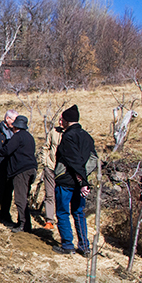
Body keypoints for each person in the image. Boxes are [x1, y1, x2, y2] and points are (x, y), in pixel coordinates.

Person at [52, 105, 95, 256]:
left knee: (63, 212)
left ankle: (68, 245)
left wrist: (82, 179)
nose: (60, 122)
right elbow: (93, 158)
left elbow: (73, 160)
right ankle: (84, 246)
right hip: (80, 182)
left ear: (67, 121)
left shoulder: (68, 137)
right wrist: (85, 177)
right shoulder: (87, 136)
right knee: (79, 213)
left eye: (62, 119)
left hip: (66, 181)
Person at [0, 115, 38, 232]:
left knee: (20, 198)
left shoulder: (18, 137)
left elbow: (7, 150)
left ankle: (23, 225)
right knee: (24, 196)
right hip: (32, 169)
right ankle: (24, 223)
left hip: (21, 170)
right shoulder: (29, 137)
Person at [0, 109, 18, 225]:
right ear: (7, 119)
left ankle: (5, 215)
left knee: (8, 192)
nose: (16, 123)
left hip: (11, 166)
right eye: (14, 120)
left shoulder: (16, 132)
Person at [40, 123, 64, 230]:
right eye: (59, 120)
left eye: (62, 120)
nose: (60, 123)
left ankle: (62, 220)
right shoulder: (53, 132)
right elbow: (46, 147)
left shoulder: (70, 134)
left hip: (63, 171)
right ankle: (49, 220)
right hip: (50, 167)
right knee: (49, 194)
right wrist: (45, 162)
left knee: (62, 195)